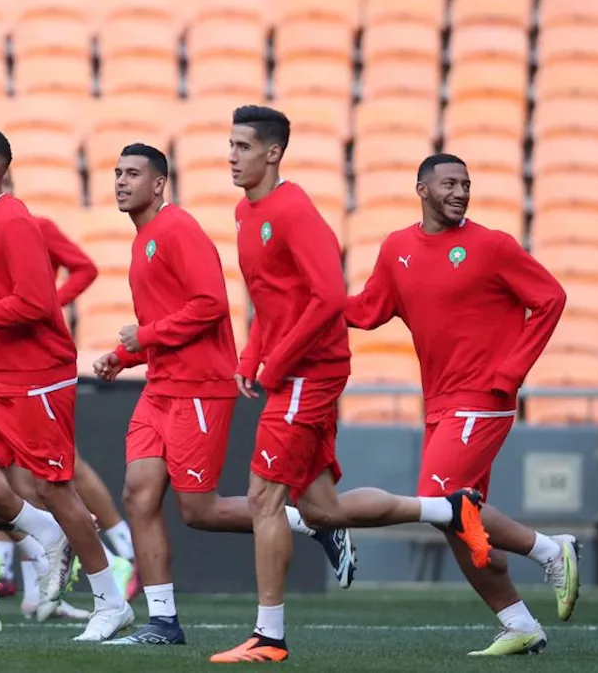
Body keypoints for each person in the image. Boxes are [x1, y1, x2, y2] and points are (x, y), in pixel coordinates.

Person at [211, 106, 493, 663]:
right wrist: (250, 357)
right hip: (288, 371)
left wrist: (278, 362)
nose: (231, 156)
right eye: (230, 145)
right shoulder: (247, 214)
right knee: (322, 510)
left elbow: (327, 299)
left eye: (242, 146)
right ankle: (448, 509)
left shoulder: (294, 211)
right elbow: (267, 298)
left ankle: (269, 637)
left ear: (272, 153)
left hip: (310, 373)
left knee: (263, 499)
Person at [89, 144, 356, 645]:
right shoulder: (144, 237)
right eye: (117, 172)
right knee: (137, 493)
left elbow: (210, 305)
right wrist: (124, 357)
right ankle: (163, 621)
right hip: (160, 389)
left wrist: (141, 340)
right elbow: (164, 321)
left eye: (133, 174)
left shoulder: (178, 229)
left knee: (200, 511)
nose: (121, 182)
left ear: (159, 183)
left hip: (198, 390)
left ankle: (310, 523)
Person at [344, 153, 579, 655]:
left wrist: (509, 373)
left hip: (483, 396)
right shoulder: (397, 248)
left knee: (441, 500)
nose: (460, 192)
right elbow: (367, 311)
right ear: (422, 189)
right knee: (459, 522)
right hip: (440, 400)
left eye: (466, 184)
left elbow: (551, 298)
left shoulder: (492, 246)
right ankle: (519, 625)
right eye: (449, 183)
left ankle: (550, 549)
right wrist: (316, 302)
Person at [0, 128, 134, 642]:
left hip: (39, 376)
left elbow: (38, 304)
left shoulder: (14, 221)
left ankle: (111, 603)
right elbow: (8, 298)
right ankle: (38, 536)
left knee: (54, 488)